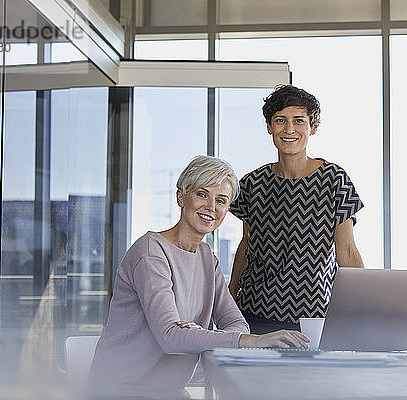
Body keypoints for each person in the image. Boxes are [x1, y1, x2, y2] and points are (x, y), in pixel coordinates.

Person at [88, 155, 308, 400]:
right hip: (120, 392)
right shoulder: (151, 253)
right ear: (181, 196)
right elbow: (171, 337)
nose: (211, 207)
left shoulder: (207, 259)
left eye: (221, 200)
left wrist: (193, 333)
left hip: (168, 393)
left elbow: (235, 322)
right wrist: (253, 341)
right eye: (202, 194)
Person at [228, 85, 365, 334]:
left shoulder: (334, 179)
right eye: (280, 120)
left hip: (315, 314)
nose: (289, 129)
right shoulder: (251, 183)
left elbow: (346, 250)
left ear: (313, 127)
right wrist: (231, 291)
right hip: (255, 312)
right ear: (269, 127)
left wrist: (365, 305)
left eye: (298, 121)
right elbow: (247, 242)